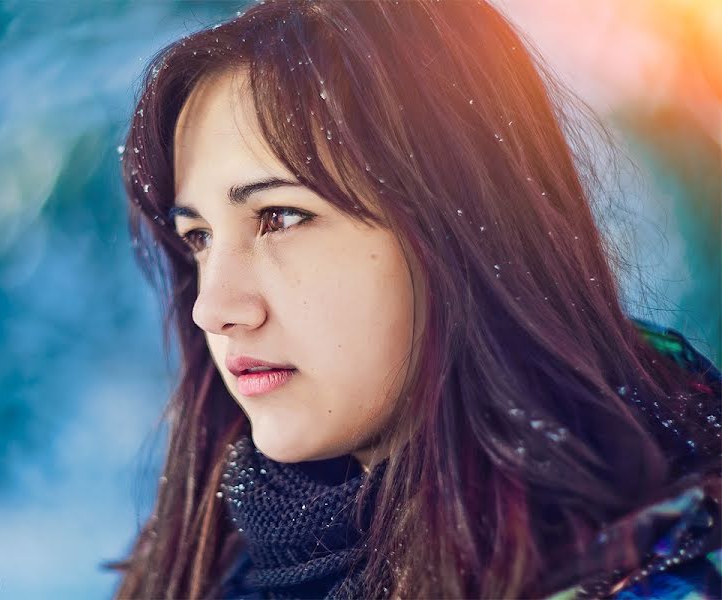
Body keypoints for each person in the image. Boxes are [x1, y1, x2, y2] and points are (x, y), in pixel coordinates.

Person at [107, 1, 722, 598]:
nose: (213, 307)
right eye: (199, 238)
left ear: (461, 226)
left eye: (281, 216)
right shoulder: (212, 566)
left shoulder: (659, 572)